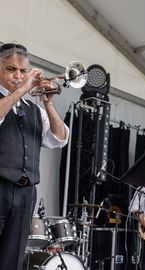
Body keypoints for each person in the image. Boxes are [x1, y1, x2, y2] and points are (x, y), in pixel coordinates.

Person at [0, 43, 69, 270]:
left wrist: (48, 103)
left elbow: (60, 139)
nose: (19, 76)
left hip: (26, 192)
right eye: (12, 70)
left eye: (23, 71)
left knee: (13, 259)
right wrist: (22, 89)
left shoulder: (35, 109)